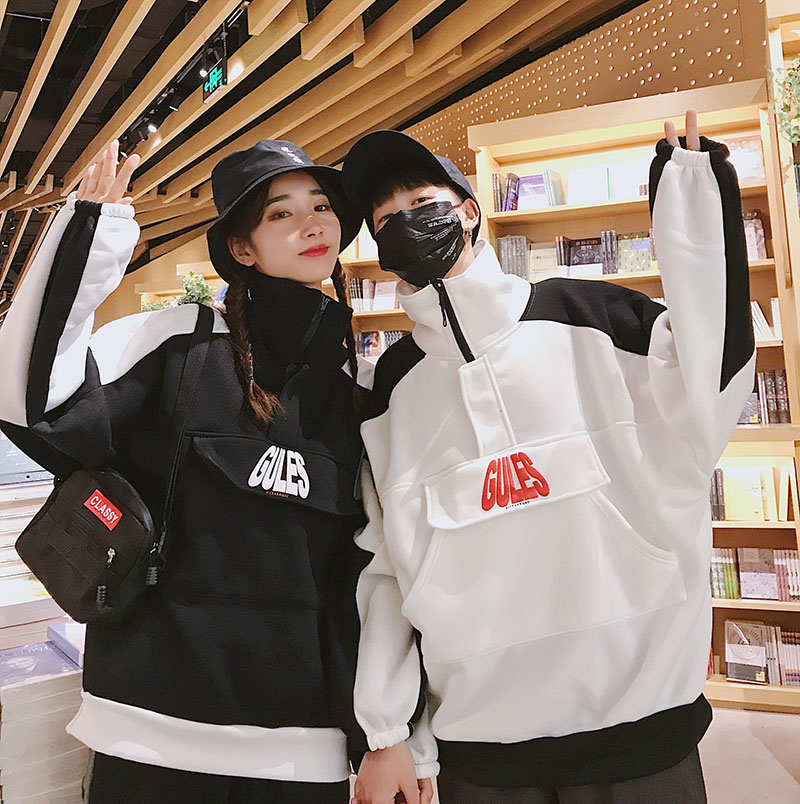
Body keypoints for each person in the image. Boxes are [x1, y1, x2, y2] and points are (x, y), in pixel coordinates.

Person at [342, 112, 754, 804]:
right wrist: (389, 731)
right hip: (483, 754)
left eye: (422, 203)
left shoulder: (600, 320)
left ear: (470, 213)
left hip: (639, 734)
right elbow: (387, 566)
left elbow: (716, 374)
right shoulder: (391, 389)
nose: (405, 222)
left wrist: (696, 213)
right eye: (386, 219)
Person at [0, 138, 371, 803]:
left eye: (321, 206)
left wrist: (378, 736)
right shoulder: (179, 343)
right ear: (241, 247)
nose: (313, 224)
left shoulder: (355, 388)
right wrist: (89, 236)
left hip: (302, 750)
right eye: (280, 213)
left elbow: (362, 578)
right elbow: (32, 403)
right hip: (151, 732)